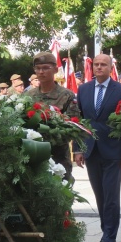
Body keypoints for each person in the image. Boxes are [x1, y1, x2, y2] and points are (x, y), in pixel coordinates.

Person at [74, 54, 121, 242]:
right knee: (100, 195)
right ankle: (105, 232)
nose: (99, 67)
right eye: (96, 65)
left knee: (111, 196)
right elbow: (78, 121)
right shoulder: (83, 89)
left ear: (110, 68)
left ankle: (110, 238)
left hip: (113, 151)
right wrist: (78, 149)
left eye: (103, 65)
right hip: (92, 150)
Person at [27, 52, 80, 180]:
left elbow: (73, 126)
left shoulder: (67, 95)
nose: (41, 72)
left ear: (55, 69)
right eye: (38, 68)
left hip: (59, 157)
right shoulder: (27, 97)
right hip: (34, 156)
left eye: (45, 68)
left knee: (62, 193)